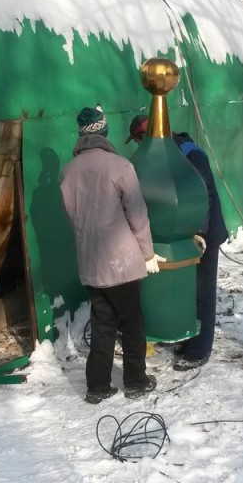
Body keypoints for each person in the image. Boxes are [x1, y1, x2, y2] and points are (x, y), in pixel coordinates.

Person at [61, 107, 161, 404]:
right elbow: (138, 215)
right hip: (122, 264)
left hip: (90, 264)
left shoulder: (68, 172)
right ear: (104, 133)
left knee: (103, 323)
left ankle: (97, 387)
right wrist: (148, 253)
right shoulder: (120, 167)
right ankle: (135, 381)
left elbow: (73, 220)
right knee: (131, 323)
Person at [127, 116, 228, 372]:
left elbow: (203, 195)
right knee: (187, 290)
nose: (139, 145)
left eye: (140, 139)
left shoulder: (190, 154)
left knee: (203, 292)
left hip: (200, 235)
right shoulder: (162, 158)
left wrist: (199, 233)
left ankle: (200, 349)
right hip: (182, 235)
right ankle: (188, 336)